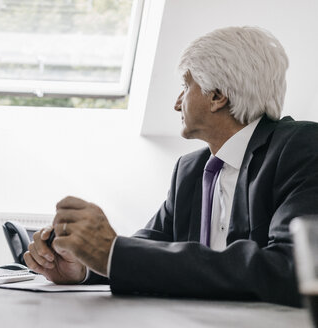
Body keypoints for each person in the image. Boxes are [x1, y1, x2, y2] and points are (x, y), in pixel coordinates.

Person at [23, 26, 318, 307]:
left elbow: (291, 267)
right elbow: (148, 249)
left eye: (186, 86)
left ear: (217, 96)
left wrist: (112, 254)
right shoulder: (190, 170)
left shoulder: (301, 147)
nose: (177, 103)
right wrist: (84, 266)